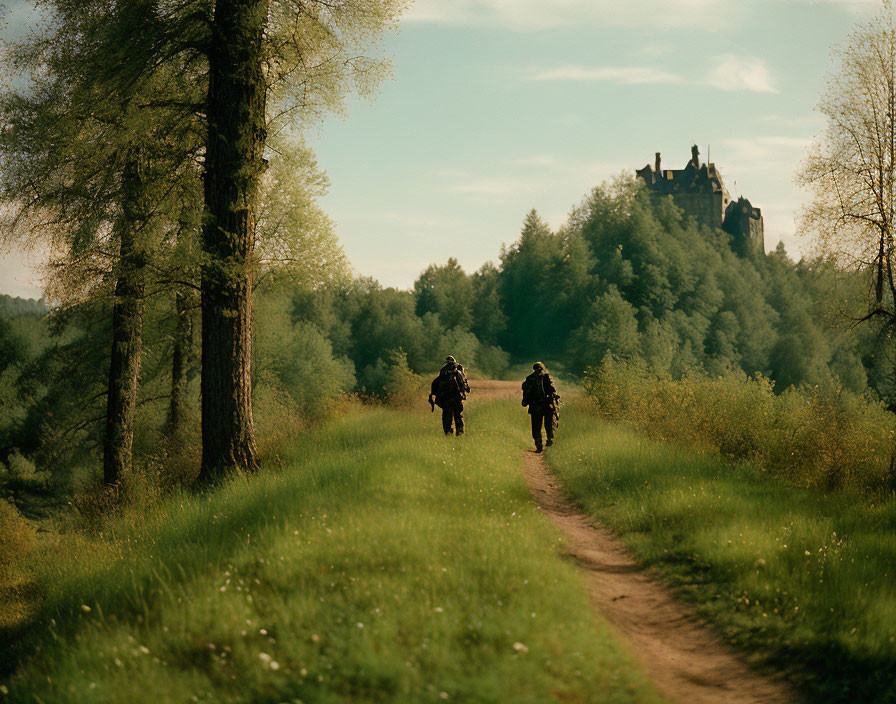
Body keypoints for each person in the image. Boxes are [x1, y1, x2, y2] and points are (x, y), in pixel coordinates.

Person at [521, 362, 558, 452]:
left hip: (535, 405)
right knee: (548, 424)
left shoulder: (530, 378)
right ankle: (549, 439)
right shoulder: (546, 377)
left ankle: (538, 445)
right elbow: (552, 391)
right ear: (542, 368)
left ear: (533, 369)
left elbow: (525, 392)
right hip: (547, 405)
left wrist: (525, 401)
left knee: (536, 426)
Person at [429, 355, 470, 435]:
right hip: (456, 398)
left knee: (446, 417)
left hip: (445, 399)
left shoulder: (443, 371)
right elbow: (462, 384)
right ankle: (460, 432)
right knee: (457, 415)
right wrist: (464, 393)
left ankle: (448, 432)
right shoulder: (457, 371)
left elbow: (435, 384)